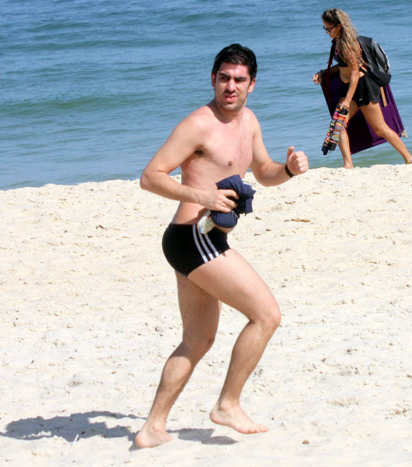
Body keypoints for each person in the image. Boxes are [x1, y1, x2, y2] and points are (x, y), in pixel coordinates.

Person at [135, 44, 308, 449]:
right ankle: (227, 405)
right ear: (212, 79)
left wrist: (288, 170)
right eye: (224, 78)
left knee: (197, 340)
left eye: (239, 80)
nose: (231, 86)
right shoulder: (198, 124)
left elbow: (263, 172)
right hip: (193, 237)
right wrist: (203, 196)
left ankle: (152, 428)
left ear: (252, 85)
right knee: (267, 315)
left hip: (197, 241)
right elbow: (150, 176)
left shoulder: (248, 121)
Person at [312, 8, 412, 168]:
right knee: (338, 124)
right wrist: (323, 72)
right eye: (324, 28)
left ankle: (410, 159)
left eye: (329, 28)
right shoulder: (338, 42)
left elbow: (355, 72)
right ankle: (348, 165)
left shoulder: (349, 44)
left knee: (380, 129)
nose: (327, 32)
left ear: (339, 26)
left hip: (363, 88)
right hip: (352, 89)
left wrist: (347, 100)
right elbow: (343, 66)